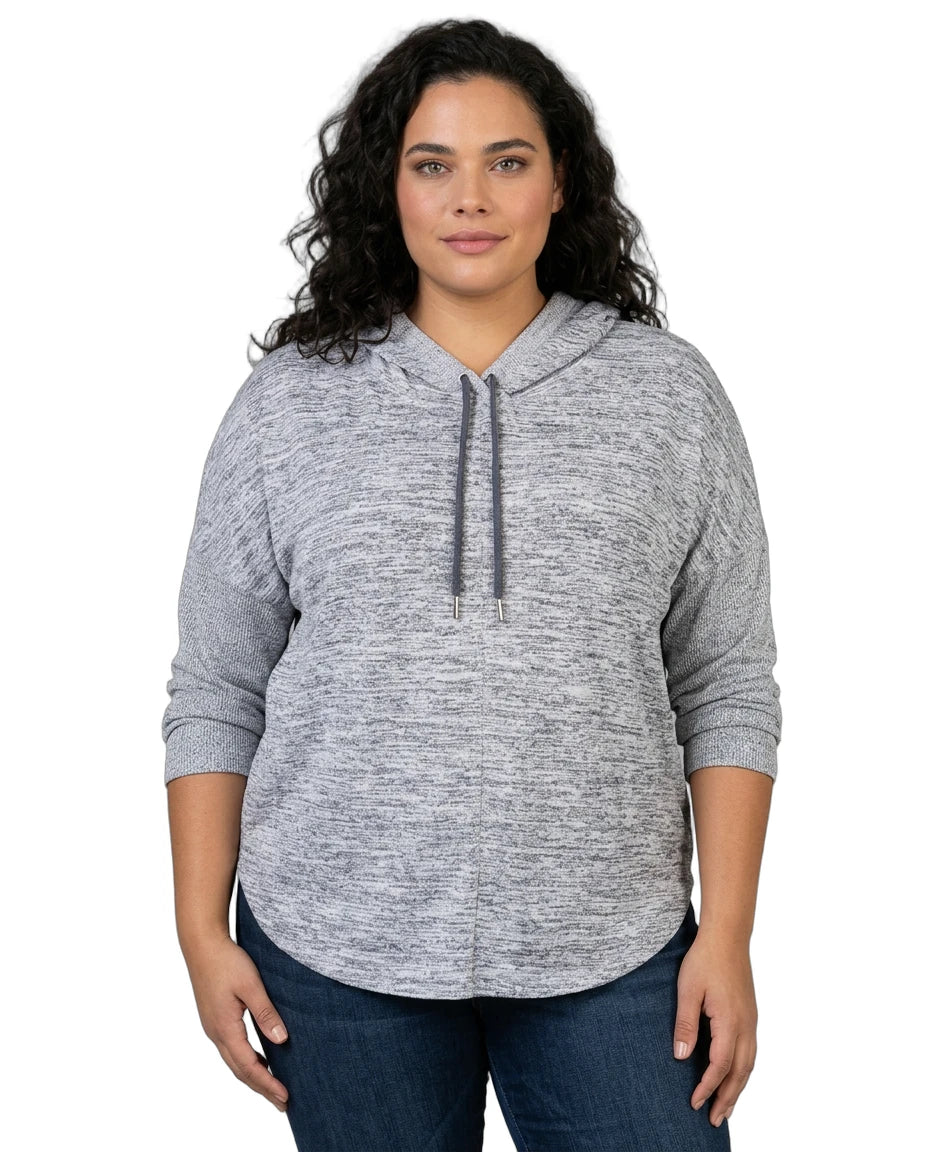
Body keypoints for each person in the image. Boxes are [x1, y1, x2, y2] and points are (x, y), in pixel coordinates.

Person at [162, 17, 782, 1152]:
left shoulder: (667, 397)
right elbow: (217, 685)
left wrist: (728, 933)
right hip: (336, 949)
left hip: (614, 947)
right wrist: (200, 931)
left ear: (561, 184)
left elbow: (726, 680)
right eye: (431, 164)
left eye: (507, 160)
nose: (470, 199)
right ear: (386, 190)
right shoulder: (289, 405)